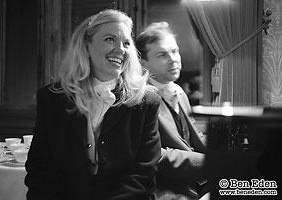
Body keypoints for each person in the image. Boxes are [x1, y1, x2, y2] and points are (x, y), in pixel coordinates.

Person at [25, 9, 161, 200]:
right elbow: (40, 171)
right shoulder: (52, 98)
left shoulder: (147, 102)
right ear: (85, 46)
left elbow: (143, 175)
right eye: (109, 39)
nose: (120, 49)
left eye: (126, 43)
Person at [136, 22, 208, 199]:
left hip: (191, 180)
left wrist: (228, 155)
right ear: (143, 62)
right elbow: (154, 155)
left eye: (175, 51)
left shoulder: (178, 91)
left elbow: (192, 135)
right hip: (163, 186)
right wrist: (209, 163)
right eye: (162, 55)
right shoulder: (139, 99)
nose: (173, 59)